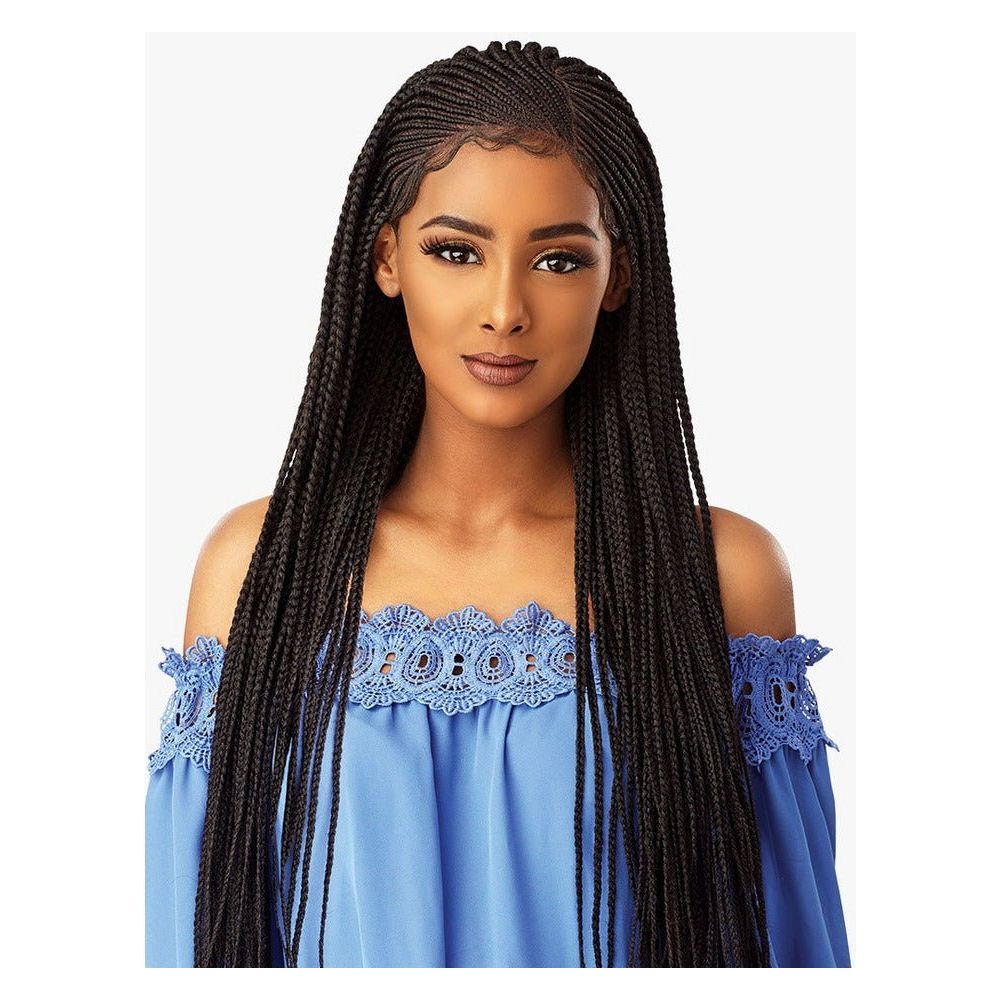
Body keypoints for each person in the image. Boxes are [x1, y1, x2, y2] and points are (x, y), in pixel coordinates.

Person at [145, 39, 851, 968]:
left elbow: (791, 956)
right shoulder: (262, 570)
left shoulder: (717, 576)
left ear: (618, 277)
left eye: (558, 260)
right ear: (387, 258)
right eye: (456, 251)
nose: (505, 308)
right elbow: (192, 946)